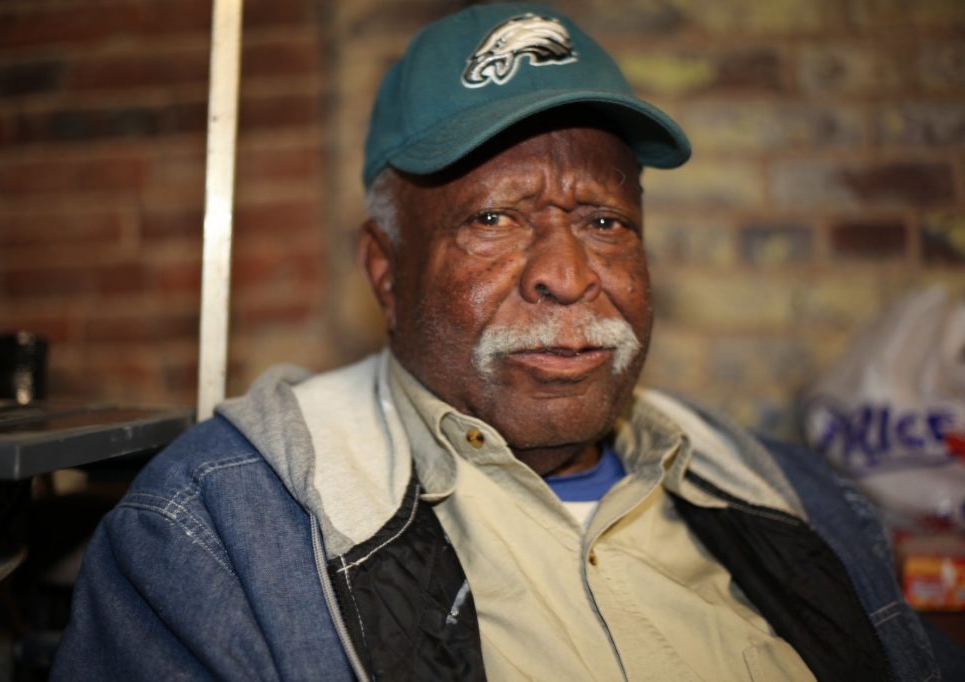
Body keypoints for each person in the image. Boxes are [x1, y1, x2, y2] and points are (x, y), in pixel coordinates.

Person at [52, 4, 962, 680]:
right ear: (386, 270)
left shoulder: (798, 498)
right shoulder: (218, 534)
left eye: (604, 221)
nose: (567, 274)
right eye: (492, 218)